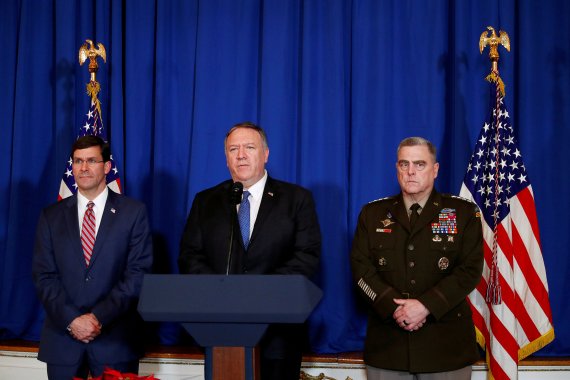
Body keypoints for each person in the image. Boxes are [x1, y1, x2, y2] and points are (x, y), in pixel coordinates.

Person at [179, 121, 321, 380]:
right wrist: (221, 291)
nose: (241, 155)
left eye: (249, 147)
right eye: (233, 149)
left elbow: (306, 257)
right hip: (221, 332)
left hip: (278, 334)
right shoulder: (205, 201)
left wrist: (256, 294)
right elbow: (190, 257)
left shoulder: (296, 199)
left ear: (265, 154)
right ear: (226, 158)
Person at [350, 137, 484, 380]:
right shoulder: (373, 214)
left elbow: (469, 270)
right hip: (389, 346)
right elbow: (361, 270)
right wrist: (394, 307)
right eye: (404, 164)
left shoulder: (463, 213)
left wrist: (425, 306)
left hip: (445, 347)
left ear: (435, 170)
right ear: (397, 168)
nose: (411, 172)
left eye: (420, 164)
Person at [32, 135, 153, 380]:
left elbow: (138, 275)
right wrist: (72, 320)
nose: (83, 168)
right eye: (77, 161)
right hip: (63, 343)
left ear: (107, 167)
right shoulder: (50, 216)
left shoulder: (133, 213)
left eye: (91, 161)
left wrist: (98, 318)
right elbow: (43, 276)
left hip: (115, 341)